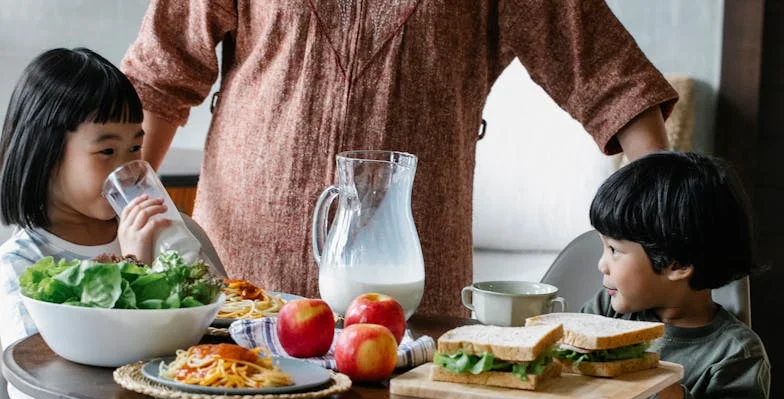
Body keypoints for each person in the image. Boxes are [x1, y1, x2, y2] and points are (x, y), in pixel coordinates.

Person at [121, 1, 678, 316]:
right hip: (240, 282)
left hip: (411, 292)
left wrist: (668, 225)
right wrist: (117, 220)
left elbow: (611, 77)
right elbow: (157, 76)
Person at [0, 47, 176, 399]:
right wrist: (132, 268)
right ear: (46, 154)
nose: (127, 169)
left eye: (135, 148)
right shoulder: (21, 262)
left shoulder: (150, 235)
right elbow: (49, 382)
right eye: (107, 152)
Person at [580, 151, 770, 399]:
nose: (602, 264)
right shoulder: (606, 312)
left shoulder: (735, 354)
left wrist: (673, 396)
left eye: (615, 250)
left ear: (677, 264)